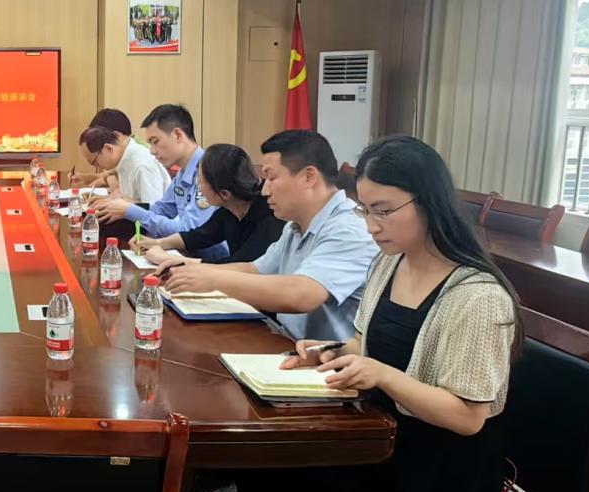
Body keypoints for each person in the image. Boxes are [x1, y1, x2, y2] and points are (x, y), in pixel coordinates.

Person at [235, 135, 521, 492]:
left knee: (315, 488)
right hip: (382, 433)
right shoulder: (392, 264)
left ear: (429, 201)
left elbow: (467, 416)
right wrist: (330, 351)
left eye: (384, 211)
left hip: (439, 473)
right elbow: (370, 343)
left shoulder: (477, 296)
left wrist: (384, 375)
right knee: (273, 474)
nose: (371, 226)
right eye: (365, 210)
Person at [160, 129, 378, 341]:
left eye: (272, 178)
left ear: (308, 177)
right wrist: (191, 270)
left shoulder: (349, 228)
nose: (265, 191)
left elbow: (302, 294)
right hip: (285, 341)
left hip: (327, 360)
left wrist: (211, 279)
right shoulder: (295, 226)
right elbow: (255, 269)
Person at [96, 104, 217, 249]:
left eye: (155, 141)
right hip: (187, 254)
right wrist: (124, 208)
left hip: (214, 259)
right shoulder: (183, 173)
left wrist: (130, 210)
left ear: (177, 135)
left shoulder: (208, 171)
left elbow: (188, 231)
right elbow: (161, 209)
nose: (152, 151)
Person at [142, 143, 284, 265]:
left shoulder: (270, 216)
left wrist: (172, 259)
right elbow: (200, 236)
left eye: (201, 182)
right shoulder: (229, 208)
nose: (198, 187)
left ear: (224, 193)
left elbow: (239, 268)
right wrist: (157, 243)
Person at [77, 125, 170, 205]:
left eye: (94, 162)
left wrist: (115, 203)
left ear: (108, 148)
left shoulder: (141, 165)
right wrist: (107, 199)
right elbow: (131, 198)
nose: (96, 166)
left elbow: (153, 209)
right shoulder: (123, 160)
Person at [70, 108, 132, 189]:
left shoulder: (138, 158)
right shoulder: (122, 153)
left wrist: (107, 180)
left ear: (116, 135)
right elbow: (111, 174)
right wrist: (85, 178)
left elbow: (116, 181)